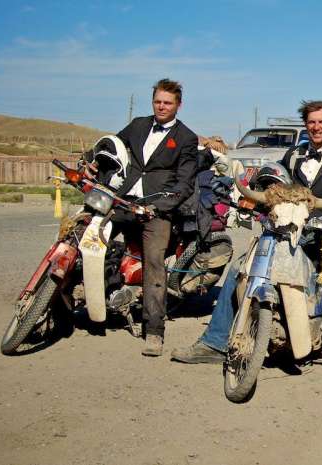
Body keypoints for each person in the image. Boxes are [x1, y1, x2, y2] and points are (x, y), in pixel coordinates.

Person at [171, 102, 322, 399]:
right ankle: (214, 343)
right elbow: (276, 189)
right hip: (288, 231)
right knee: (239, 270)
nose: (317, 127)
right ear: (306, 125)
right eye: (312, 122)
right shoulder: (294, 155)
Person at [114, 78, 198, 357]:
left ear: (178, 105)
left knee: (154, 264)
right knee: (82, 233)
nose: (162, 106)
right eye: (158, 101)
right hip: (124, 199)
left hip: (156, 210)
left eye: (168, 102)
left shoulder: (186, 137)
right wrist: (91, 160)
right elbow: (113, 147)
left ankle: (154, 331)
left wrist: (161, 207)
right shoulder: (138, 124)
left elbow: (185, 183)